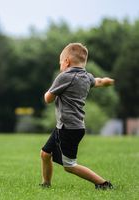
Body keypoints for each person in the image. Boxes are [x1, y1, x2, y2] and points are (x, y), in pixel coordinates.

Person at [40, 43, 114, 189]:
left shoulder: (65, 76)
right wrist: (107, 81)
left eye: (60, 62)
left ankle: (103, 183)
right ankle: (46, 184)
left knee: (69, 166)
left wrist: (48, 92)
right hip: (68, 126)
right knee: (45, 153)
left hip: (68, 128)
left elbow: (48, 99)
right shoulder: (86, 76)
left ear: (66, 61)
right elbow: (98, 81)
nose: (60, 65)